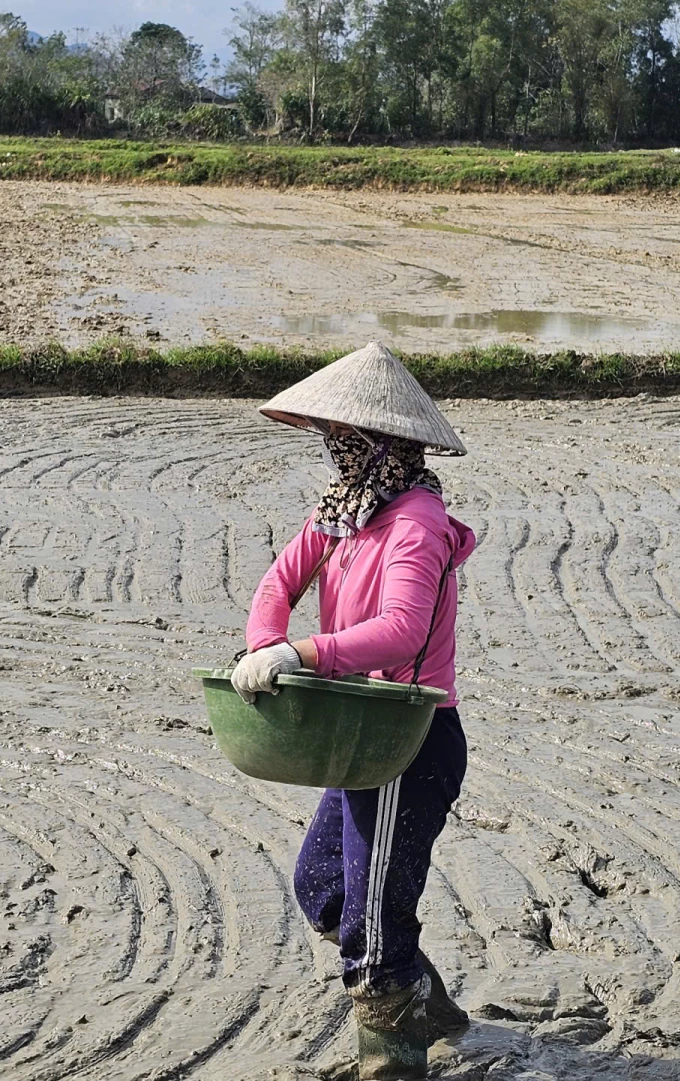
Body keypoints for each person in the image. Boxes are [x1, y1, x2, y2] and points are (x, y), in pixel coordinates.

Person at [232, 341, 479, 1080]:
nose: (336, 457)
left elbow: (402, 629)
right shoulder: (343, 513)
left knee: (370, 933)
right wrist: (265, 645)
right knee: (324, 887)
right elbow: (278, 584)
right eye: (332, 444)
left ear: (383, 446)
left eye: (347, 444)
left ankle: (394, 1057)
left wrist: (301, 656)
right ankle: (421, 995)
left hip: (409, 738)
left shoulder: (415, 522)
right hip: (356, 735)